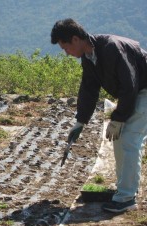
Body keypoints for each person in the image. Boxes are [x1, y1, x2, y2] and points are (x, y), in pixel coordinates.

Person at [51, 18, 147, 213]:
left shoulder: (111, 48)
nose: (66, 54)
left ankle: (127, 198)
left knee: (129, 138)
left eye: (65, 48)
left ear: (75, 39)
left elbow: (129, 85)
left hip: (143, 89)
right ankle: (125, 189)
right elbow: (88, 89)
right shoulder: (88, 57)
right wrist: (80, 122)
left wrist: (118, 118)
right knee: (119, 138)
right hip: (135, 91)